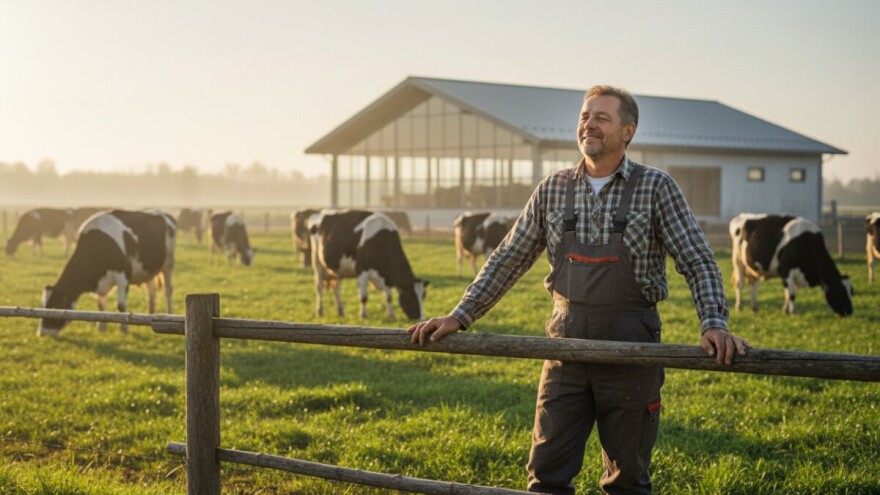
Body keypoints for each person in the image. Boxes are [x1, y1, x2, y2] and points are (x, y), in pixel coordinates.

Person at [407, 85, 751, 494]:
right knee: (546, 477)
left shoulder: (656, 187)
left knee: (627, 482)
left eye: (601, 118)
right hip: (564, 347)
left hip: (632, 347)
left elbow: (697, 259)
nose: (589, 124)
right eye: (585, 117)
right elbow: (508, 258)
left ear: (628, 131)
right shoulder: (552, 189)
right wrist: (459, 315)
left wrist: (713, 323)